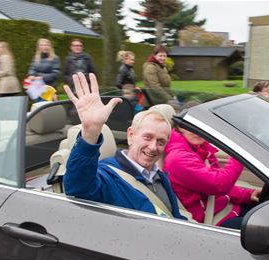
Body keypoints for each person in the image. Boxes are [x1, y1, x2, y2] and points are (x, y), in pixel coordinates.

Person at [63, 72, 185, 220]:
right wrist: (90, 132)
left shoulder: (158, 175)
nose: (153, 147)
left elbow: (176, 217)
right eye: (147, 137)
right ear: (130, 136)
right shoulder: (107, 175)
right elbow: (77, 188)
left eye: (161, 142)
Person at [164, 125, 260, 228]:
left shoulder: (198, 148)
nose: (198, 131)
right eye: (191, 127)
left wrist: (247, 195)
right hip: (212, 221)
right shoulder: (179, 159)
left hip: (226, 208)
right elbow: (220, 184)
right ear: (180, 127)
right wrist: (240, 153)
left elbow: (214, 180)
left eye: (201, 126)